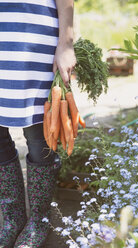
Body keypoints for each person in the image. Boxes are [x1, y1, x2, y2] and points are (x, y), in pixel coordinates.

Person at [0, 0, 76, 247]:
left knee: (39, 131)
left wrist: (66, 43)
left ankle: (39, 220)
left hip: (32, 35)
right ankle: (13, 218)